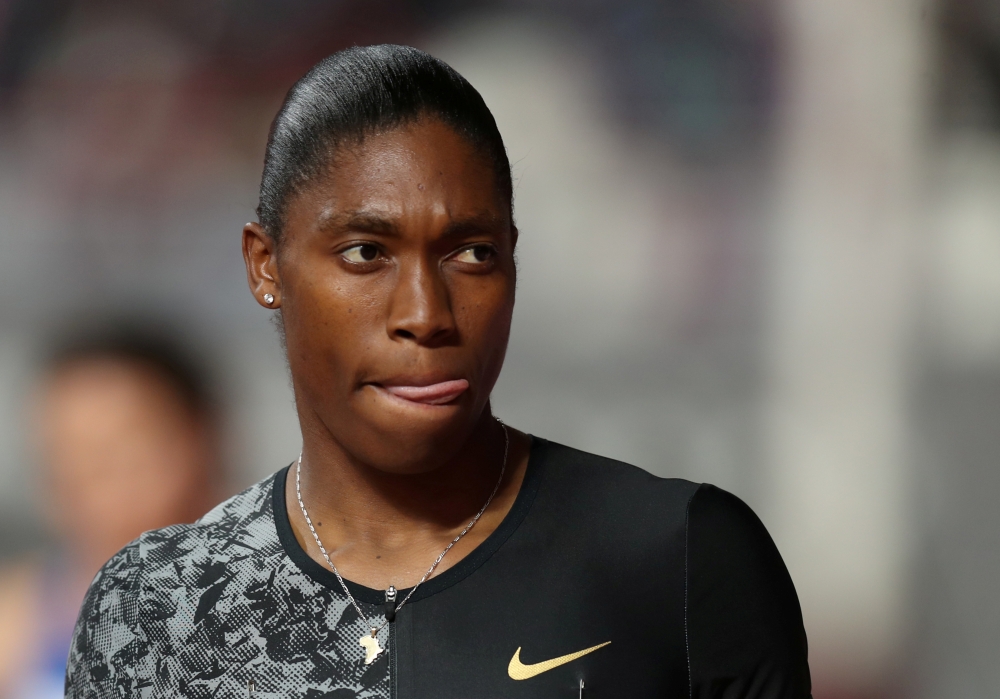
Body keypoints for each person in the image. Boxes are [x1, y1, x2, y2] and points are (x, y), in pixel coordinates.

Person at [65, 45, 811, 699]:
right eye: (366, 252)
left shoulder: (679, 558)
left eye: (472, 252)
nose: (425, 312)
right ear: (267, 266)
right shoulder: (156, 608)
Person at [0, 325, 221, 699]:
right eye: (69, 457)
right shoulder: (17, 621)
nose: (93, 485)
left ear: (202, 440)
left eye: (120, 455)